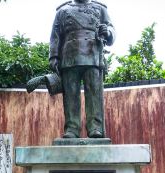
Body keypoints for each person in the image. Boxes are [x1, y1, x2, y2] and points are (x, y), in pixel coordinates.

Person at [49, 0, 115, 138]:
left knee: (94, 93)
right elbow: (55, 36)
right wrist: (54, 56)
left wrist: (107, 32)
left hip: (93, 55)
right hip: (69, 56)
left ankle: (95, 127)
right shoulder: (63, 10)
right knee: (71, 95)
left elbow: (111, 29)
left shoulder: (100, 9)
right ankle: (72, 128)